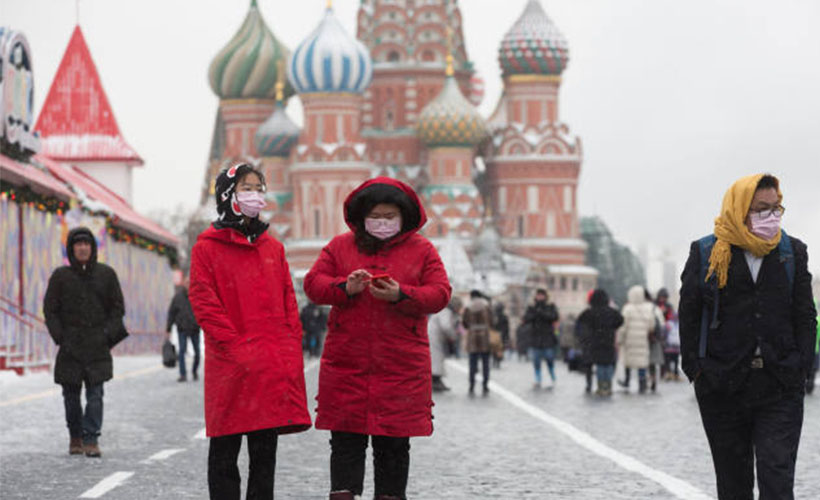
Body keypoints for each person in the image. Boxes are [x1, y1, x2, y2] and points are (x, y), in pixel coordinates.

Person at [303, 177, 451, 500]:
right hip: (348, 366)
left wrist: (402, 294)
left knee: (394, 448)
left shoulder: (422, 250)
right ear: (362, 217)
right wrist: (344, 287)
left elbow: (440, 293)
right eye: (376, 216)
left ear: (403, 217)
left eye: (389, 216)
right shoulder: (341, 246)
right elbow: (314, 285)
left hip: (400, 368)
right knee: (344, 446)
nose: (382, 223)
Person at [679, 173, 816, 500]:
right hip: (722, 384)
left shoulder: (791, 252)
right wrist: (696, 369)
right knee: (733, 484)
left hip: (779, 383)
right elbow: (690, 313)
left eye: (776, 208)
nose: (770, 217)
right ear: (739, 209)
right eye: (761, 209)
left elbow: (804, 315)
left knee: (777, 479)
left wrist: (802, 367)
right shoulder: (706, 252)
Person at [189, 163, 311, 500]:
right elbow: (204, 302)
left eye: (259, 188)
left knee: (264, 454)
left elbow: (289, 300)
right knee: (225, 452)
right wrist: (235, 346)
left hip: (268, 364)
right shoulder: (207, 248)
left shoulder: (273, 249)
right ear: (228, 194)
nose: (255, 195)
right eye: (247, 187)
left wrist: (289, 343)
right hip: (232, 365)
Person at [44, 227, 128, 457]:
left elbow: (117, 308)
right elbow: (50, 310)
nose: (82, 248)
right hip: (69, 347)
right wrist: (60, 336)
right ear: (71, 249)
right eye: (77, 244)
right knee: (70, 397)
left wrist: (106, 335)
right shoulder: (61, 276)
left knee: (95, 395)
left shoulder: (106, 275)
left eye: (86, 244)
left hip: (97, 347)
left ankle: (91, 439)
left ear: (93, 248)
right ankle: (75, 437)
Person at [576, 289, 624, 397]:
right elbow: (620, 320)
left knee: (600, 365)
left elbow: (580, 323)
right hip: (609, 341)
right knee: (609, 365)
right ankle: (608, 385)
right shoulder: (611, 312)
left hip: (595, 343)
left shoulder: (589, 312)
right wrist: (612, 327)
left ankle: (601, 386)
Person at [616, 285, 657, 394]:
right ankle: (642, 383)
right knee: (641, 362)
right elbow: (652, 325)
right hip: (642, 341)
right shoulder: (648, 308)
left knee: (628, 362)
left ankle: (627, 380)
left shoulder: (627, 308)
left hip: (629, 341)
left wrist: (619, 340)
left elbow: (622, 327)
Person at [165, 275, 200, 382]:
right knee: (181, 352)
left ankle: (194, 371)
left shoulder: (197, 296)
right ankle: (183, 374)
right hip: (182, 328)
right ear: (184, 284)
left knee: (197, 352)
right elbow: (171, 313)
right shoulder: (178, 297)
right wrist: (168, 329)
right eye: (187, 282)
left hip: (195, 328)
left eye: (190, 282)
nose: (188, 285)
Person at [523, 289, 560, 389]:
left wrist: (542, 313)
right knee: (536, 360)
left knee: (549, 358)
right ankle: (538, 378)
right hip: (535, 338)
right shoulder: (532, 308)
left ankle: (552, 376)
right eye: (538, 295)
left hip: (547, 337)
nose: (540, 297)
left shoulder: (550, 307)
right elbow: (526, 319)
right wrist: (536, 313)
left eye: (541, 295)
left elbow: (554, 317)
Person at [462, 290, 493, 396]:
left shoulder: (468, 307)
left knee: (472, 364)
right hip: (485, 336)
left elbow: (465, 323)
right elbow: (493, 321)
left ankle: (471, 385)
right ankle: (485, 385)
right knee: (485, 364)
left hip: (472, 338)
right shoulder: (486, 306)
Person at [429, 297, 461, 392]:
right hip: (435, 337)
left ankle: (437, 379)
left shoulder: (449, 312)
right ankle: (435, 379)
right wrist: (453, 336)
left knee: (438, 358)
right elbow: (446, 326)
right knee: (436, 358)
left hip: (437, 337)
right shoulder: (445, 312)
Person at [492, 302, 509, 368]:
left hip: (496, 335)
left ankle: (496, 360)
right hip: (501, 334)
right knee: (499, 349)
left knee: (496, 349)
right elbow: (507, 328)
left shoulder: (495, 316)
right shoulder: (503, 317)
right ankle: (497, 361)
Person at [808, 300, 819, 395]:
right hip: (815, 350)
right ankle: (809, 387)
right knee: (813, 370)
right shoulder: (818, 320)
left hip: (807, 349)